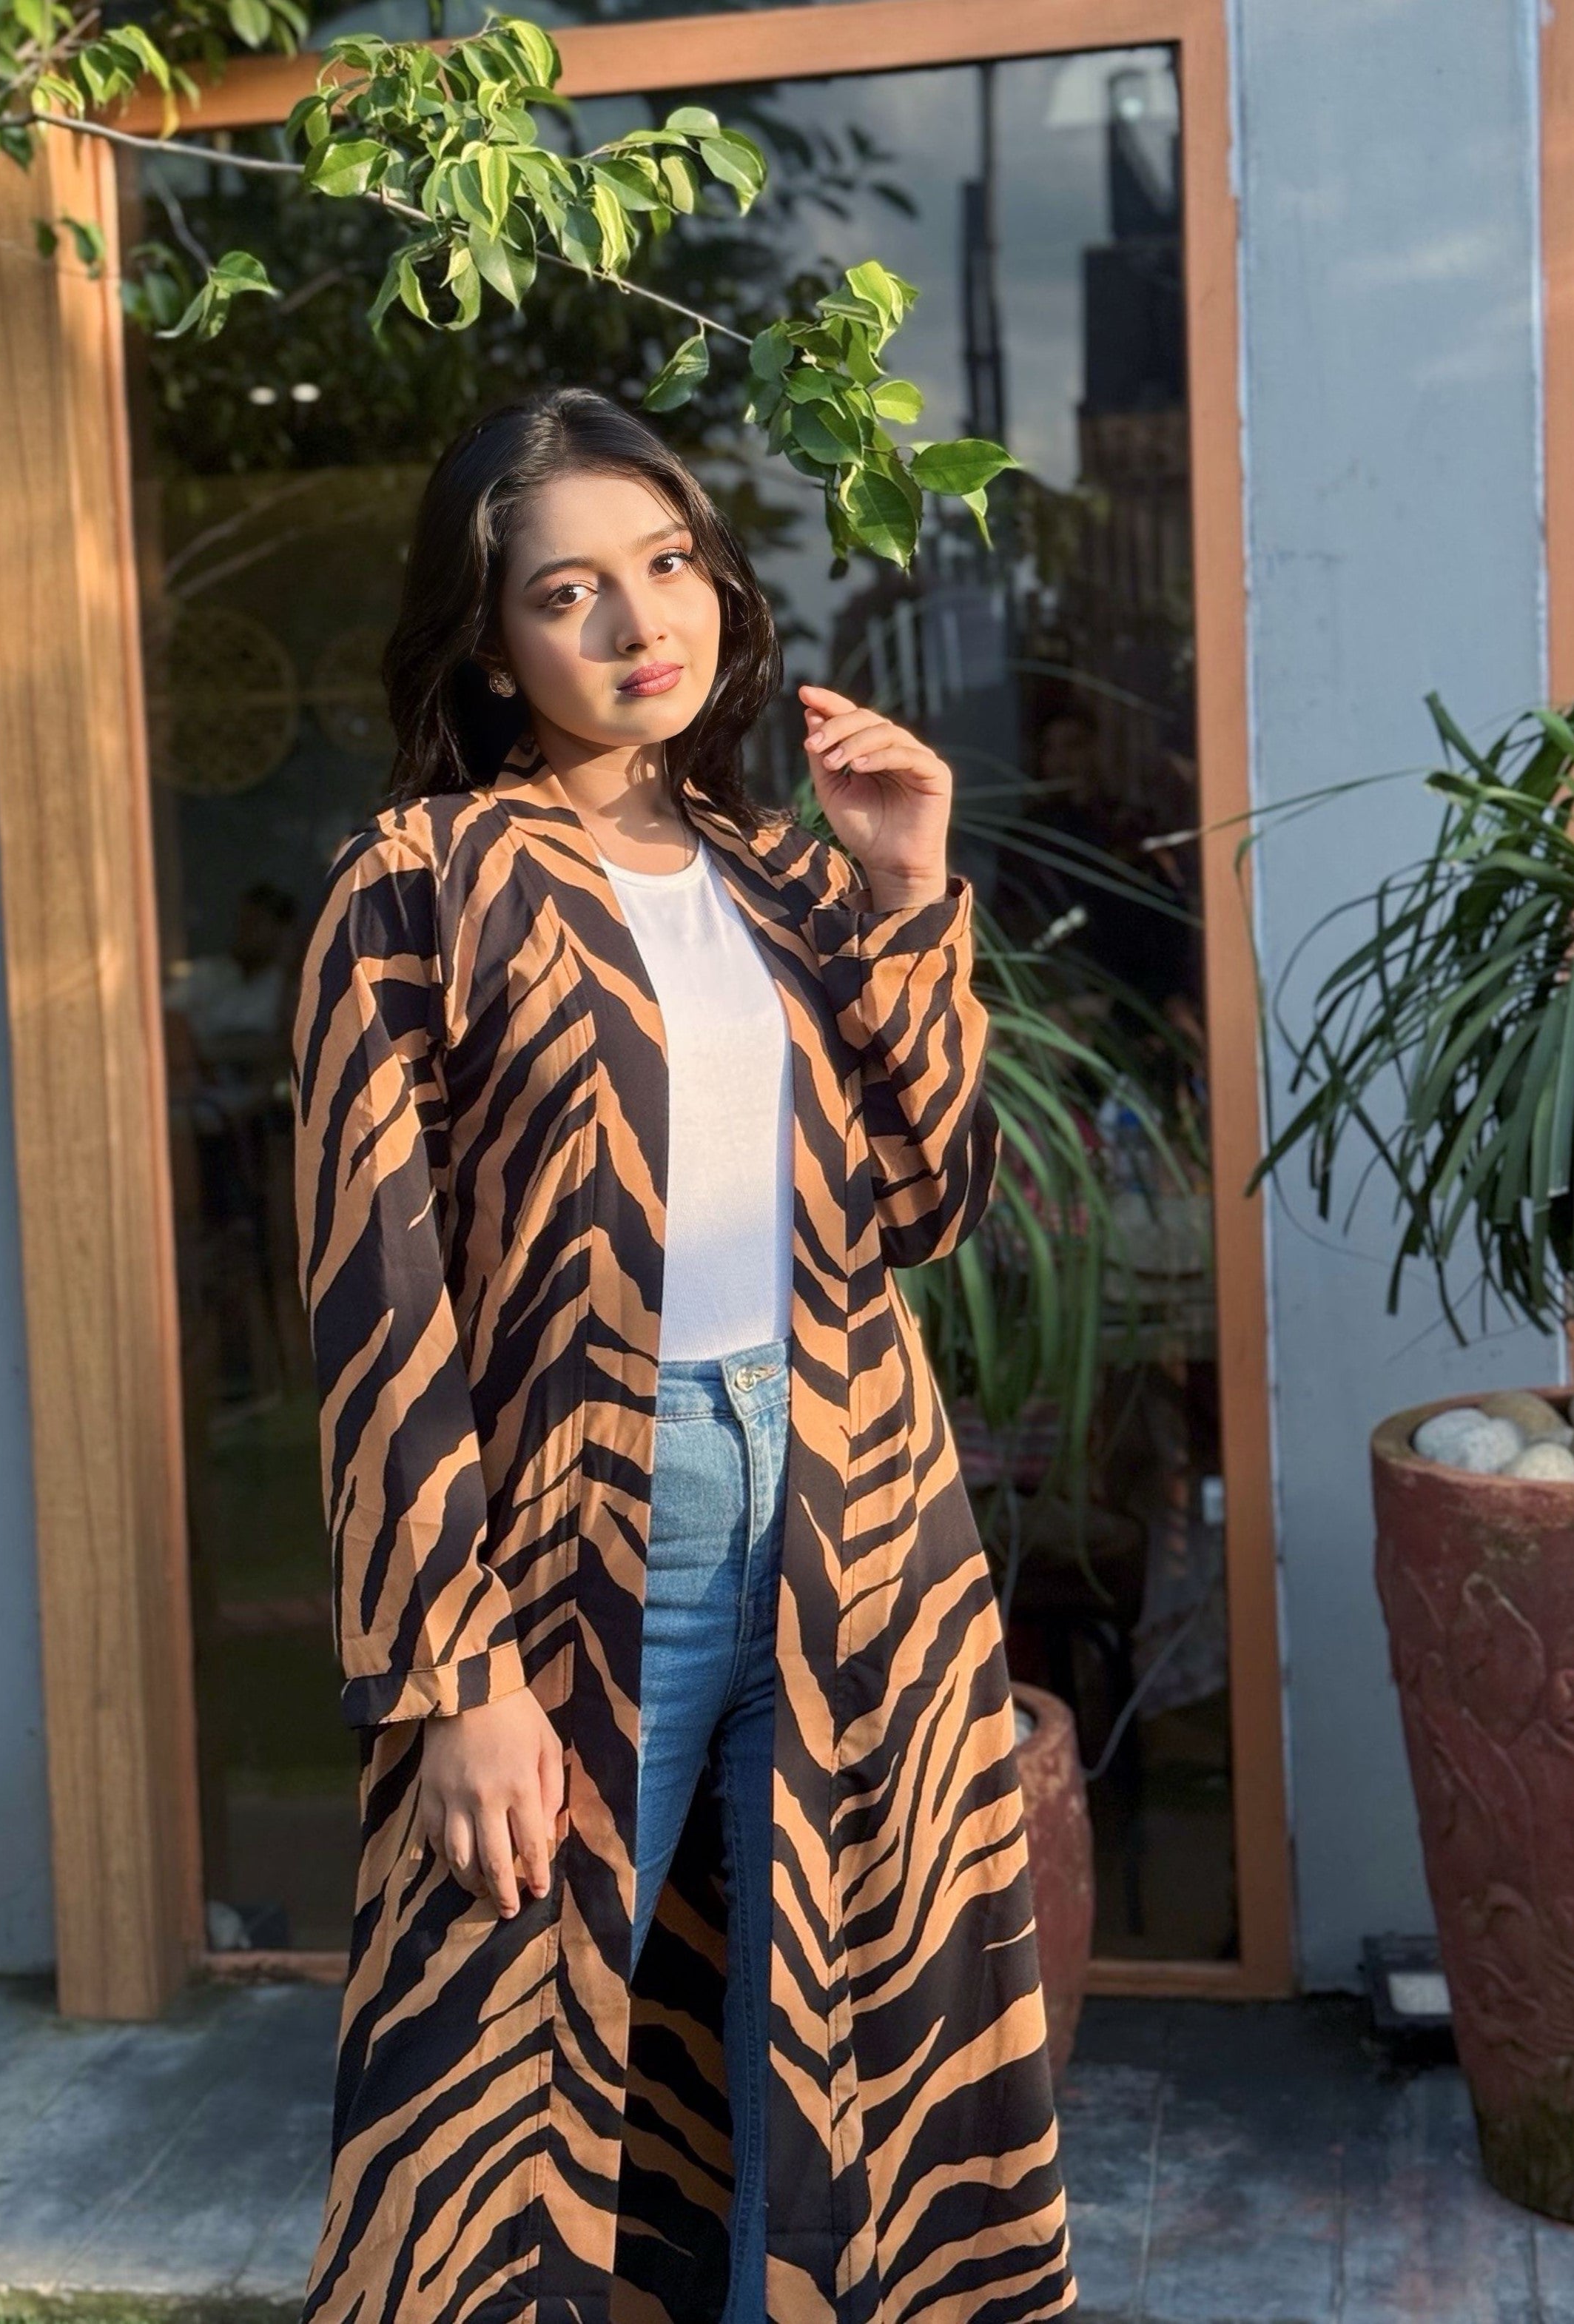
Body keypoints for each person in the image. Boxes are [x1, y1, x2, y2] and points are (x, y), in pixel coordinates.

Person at [292, 387, 1075, 2324]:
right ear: (489, 641)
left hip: (849, 1519)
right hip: (577, 1529)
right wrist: (454, 1669)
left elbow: (920, 1199)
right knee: (502, 2067)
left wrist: (906, 893)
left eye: (666, 567)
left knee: (835, 2058)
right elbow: (370, 1307)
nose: (640, 621)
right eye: (568, 591)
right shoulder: (418, 881)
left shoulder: (783, 877)